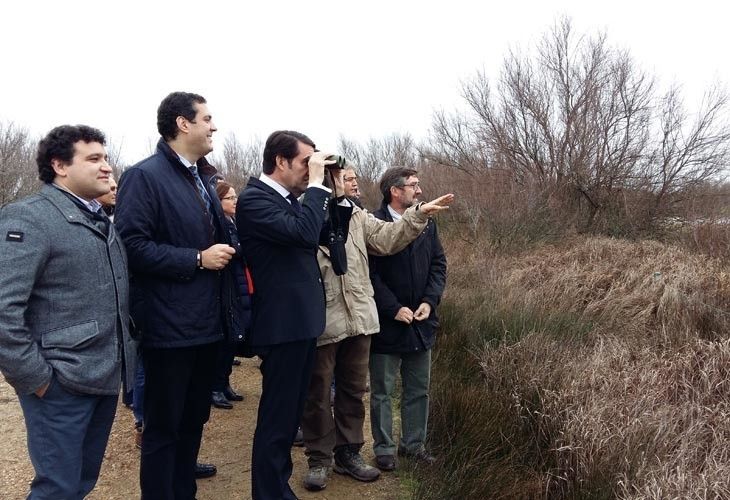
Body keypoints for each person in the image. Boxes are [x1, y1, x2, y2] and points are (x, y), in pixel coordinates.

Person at [0, 124, 137, 499]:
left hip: (103, 374)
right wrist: (36, 378)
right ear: (60, 165)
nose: (107, 167)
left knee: (79, 483)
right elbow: (3, 309)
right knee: (57, 489)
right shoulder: (29, 218)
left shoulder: (98, 219)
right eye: (93, 159)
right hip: (59, 383)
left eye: (106, 158)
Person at [301, 162, 453, 491]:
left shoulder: (357, 215)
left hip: (363, 319)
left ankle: (349, 454)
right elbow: (371, 270)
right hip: (327, 319)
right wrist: (393, 307)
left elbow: (390, 241)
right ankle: (320, 459)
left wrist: (419, 215)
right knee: (318, 393)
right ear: (326, 179)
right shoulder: (306, 213)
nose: (354, 183)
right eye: (347, 178)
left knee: (353, 392)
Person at [115, 91, 235, 499]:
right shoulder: (144, 176)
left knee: (192, 423)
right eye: (206, 118)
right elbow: (131, 245)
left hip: (206, 327)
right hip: (168, 329)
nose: (213, 125)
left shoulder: (202, 177)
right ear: (182, 124)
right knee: (164, 430)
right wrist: (197, 259)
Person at [236, 130, 352, 500]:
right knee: (277, 419)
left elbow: (328, 235)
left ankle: (276, 489)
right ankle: (269, 493)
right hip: (282, 324)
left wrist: (335, 192)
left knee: (288, 419)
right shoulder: (255, 199)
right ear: (281, 161)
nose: (309, 171)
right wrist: (316, 187)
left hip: (301, 322)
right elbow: (304, 236)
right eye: (305, 163)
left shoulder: (291, 201)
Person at [369, 167, 447, 471]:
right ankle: (384, 449)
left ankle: (413, 446)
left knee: (418, 389)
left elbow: (438, 264)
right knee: (383, 392)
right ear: (395, 191)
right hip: (387, 323)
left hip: (421, 322)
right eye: (413, 185)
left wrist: (430, 301)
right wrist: (393, 308)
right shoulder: (373, 222)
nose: (419, 190)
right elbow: (369, 274)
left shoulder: (427, 223)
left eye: (418, 184)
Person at [210, 180, 250, 409]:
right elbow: (233, 249)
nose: (235, 201)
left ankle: (224, 383)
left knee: (233, 338)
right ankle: (215, 387)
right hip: (226, 285)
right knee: (224, 338)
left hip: (239, 282)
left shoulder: (234, 222)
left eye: (235, 197)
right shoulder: (219, 225)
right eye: (230, 198)